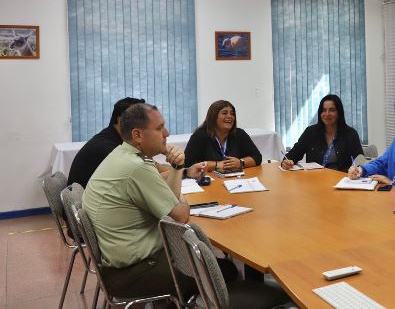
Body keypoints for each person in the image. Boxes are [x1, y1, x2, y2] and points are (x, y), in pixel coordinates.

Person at [82, 103, 198, 298]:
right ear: (137, 135)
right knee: (221, 271)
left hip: (118, 266)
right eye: (160, 128)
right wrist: (183, 198)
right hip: (132, 274)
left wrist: (178, 167)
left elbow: (170, 201)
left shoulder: (123, 153)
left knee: (197, 259)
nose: (167, 133)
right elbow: (180, 215)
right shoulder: (136, 167)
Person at [68, 97, 206, 189]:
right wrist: (182, 172)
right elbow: (150, 179)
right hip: (91, 221)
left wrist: (185, 170)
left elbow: (155, 167)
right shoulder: (109, 148)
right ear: (122, 120)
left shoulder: (124, 142)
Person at [281, 94, 363, 172]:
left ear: (339, 113)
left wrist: (353, 171)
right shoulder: (310, 132)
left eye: (332, 110)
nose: (327, 114)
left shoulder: (350, 134)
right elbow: (293, 155)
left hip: (340, 180)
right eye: (324, 110)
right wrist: (286, 162)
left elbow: (360, 163)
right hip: (314, 180)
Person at [184, 100, 262, 171]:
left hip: (236, 180)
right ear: (213, 116)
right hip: (209, 182)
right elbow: (188, 164)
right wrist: (216, 165)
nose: (230, 116)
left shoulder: (239, 134)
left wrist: (241, 163)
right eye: (224, 113)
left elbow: (257, 157)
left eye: (232, 114)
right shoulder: (200, 135)